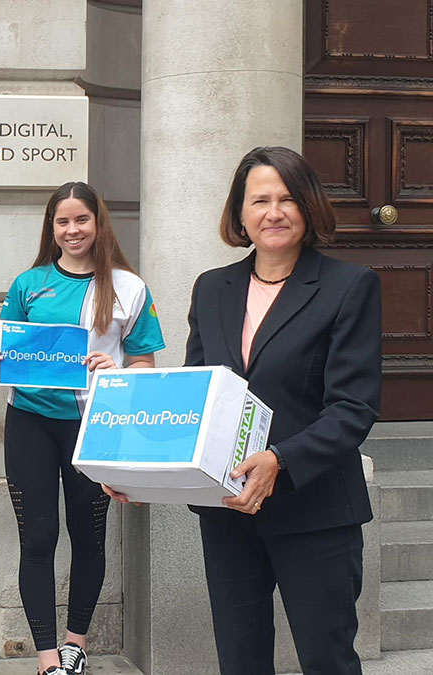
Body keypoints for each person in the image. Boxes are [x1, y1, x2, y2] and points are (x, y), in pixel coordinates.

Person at [177, 146, 381, 674]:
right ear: (240, 215)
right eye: (260, 200)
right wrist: (140, 469)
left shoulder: (349, 286)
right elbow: (198, 396)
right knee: (240, 660)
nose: (274, 212)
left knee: (326, 658)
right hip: (228, 511)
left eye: (287, 198)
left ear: (309, 207)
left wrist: (280, 460)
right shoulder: (212, 288)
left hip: (313, 508)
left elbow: (353, 407)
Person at [0, 181, 165, 675]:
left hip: (94, 425)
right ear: (51, 228)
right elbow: (7, 355)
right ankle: (46, 660)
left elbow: (148, 364)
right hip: (31, 425)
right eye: (62, 221)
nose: (72, 229)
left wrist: (118, 370)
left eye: (81, 219)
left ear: (99, 223)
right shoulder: (28, 284)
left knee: (89, 537)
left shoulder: (128, 287)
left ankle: (74, 646)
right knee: (37, 540)